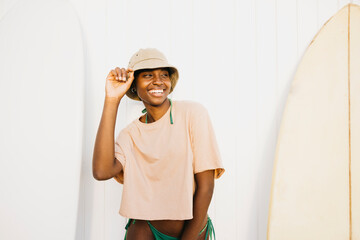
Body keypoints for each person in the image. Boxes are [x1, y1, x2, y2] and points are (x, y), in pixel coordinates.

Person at [92, 48, 225, 240]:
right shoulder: (129, 134)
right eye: (147, 75)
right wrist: (112, 100)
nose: (158, 81)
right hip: (145, 232)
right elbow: (101, 172)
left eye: (164, 75)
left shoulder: (193, 114)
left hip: (193, 231)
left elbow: (206, 187)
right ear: (133, 86)